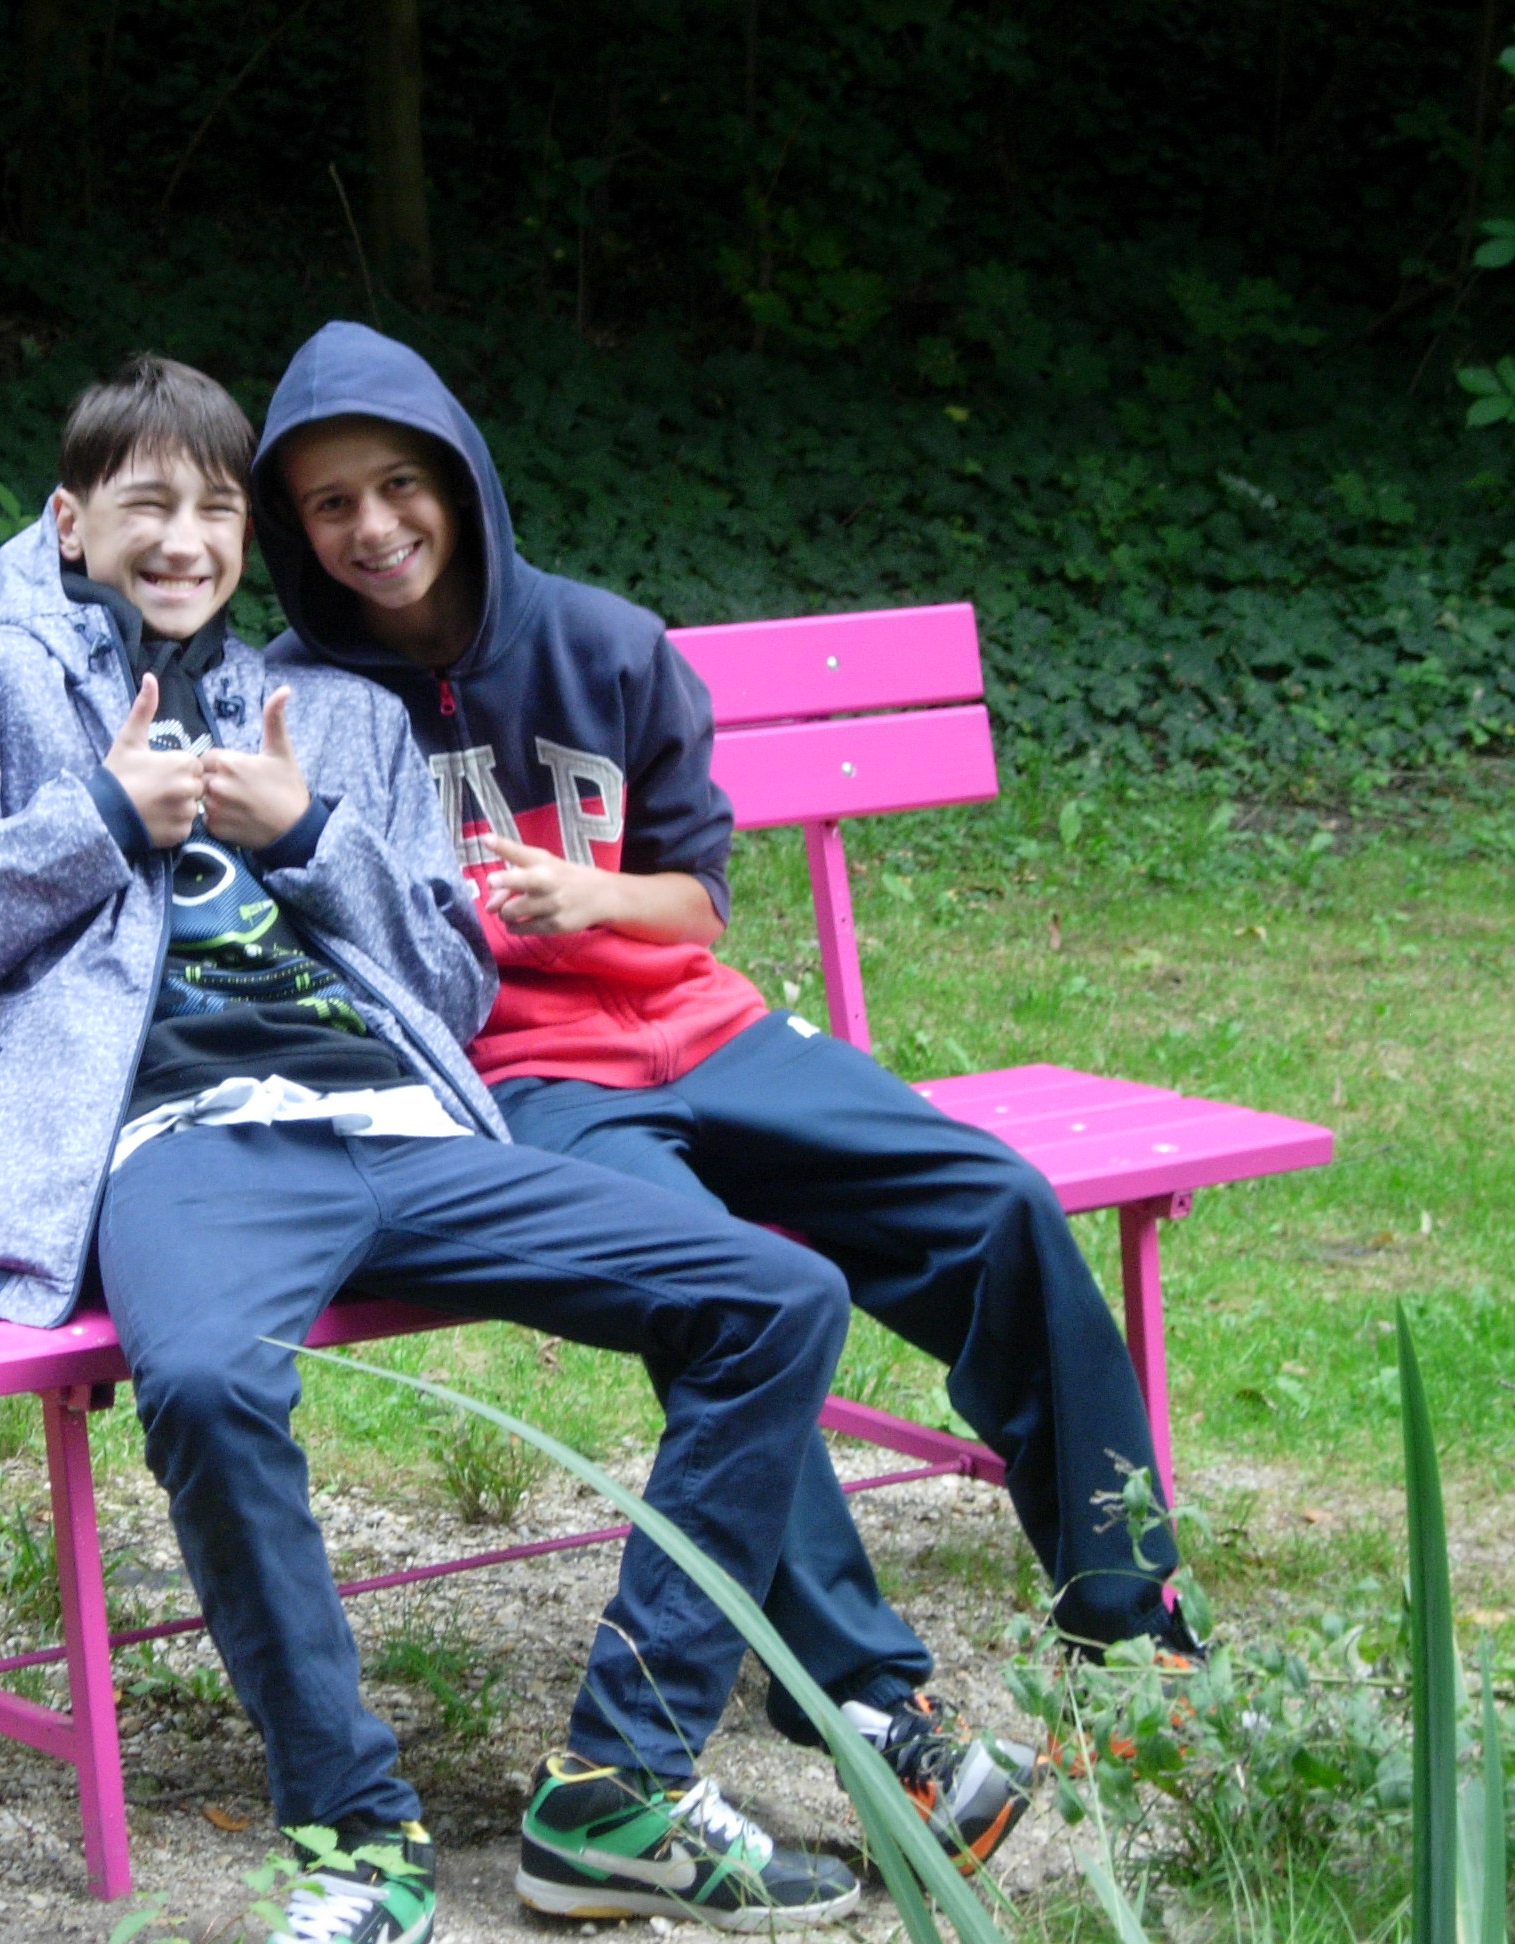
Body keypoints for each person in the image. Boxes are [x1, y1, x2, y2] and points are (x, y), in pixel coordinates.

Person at [0, 353, 870, 1942]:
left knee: (775, 1299)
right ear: (71, 522)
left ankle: (620, 1790)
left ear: (249, 539)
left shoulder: (340, 715)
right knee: (208, 1383)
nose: (183, 540)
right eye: (146, 506)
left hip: (399, 1123)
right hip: (182, 1146)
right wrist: (96, 821)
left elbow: (454, 983)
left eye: (216, 510)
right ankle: (356, 1832)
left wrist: (308, 836)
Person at [255, 321, 1209, 1876]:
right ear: (293, 530)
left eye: (399, 484)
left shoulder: (609, 647)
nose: (374, 526)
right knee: (737, 1293)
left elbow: (697, 903)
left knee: (997, 1203)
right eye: (330, 503)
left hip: (706, 1029)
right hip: (525, 1078)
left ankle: (1128, 1616)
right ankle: (876, 1702)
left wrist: (592, 897)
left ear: (463, 478)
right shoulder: (301, 702)